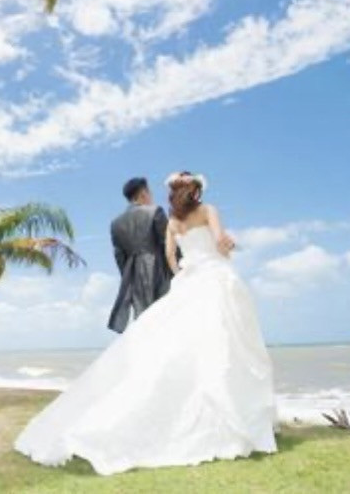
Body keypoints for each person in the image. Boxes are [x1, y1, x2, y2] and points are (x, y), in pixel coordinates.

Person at [14, 172, 277, 475]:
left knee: (157, 342)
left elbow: (132, 255)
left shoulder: (118, 223)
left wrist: (151, 275)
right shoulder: (167, 214)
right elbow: (184, 250)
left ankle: (155, 393)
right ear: (143, 194)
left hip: (136, 278)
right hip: (184, 278)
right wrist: (198, 263)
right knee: (203, 342)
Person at [106, 177, 171, 333]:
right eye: (150, 192)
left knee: (144, 322)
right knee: (166, 318)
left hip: (133, 276)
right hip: (159, 271)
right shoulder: (156, 211)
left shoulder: (115, 224)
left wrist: (129, 278)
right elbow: (169, 245)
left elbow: (119, 257)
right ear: (143, 193)